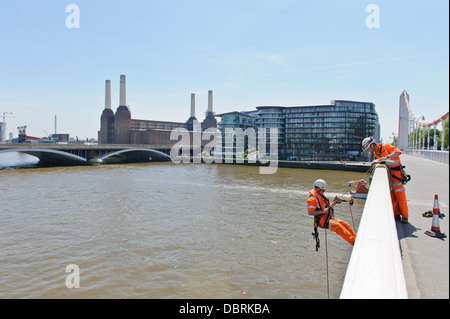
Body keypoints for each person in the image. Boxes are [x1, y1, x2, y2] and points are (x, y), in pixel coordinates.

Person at [362, 137, 409, 224]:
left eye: (368, 148)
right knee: (392, 196)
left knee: (400, 196)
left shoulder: (386, 147)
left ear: (372, 145)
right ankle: (396, 214)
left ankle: (405, 216)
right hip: (390, 175)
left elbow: (398, 152)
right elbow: (381, 161)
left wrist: (386, 157)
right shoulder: (377, 152)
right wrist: (376, 161)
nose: (368, 150)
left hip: (397, 174)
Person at [307, 179, 357, 245]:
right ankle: (354, 242)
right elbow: (310, 213)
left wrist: (334, 202)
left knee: (345, 224)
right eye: (323, 190)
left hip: (327, 217)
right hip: (322, 221)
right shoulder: (312, 199)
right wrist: (323, 212)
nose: (324, 192)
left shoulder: (321, 196)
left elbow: (327, 207)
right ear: (318, 189)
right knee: (338, 226)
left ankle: (356, 238)